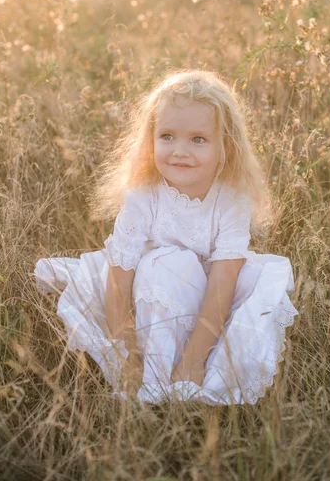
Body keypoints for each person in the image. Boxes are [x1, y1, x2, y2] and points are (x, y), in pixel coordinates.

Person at [34, 70, 298, 405]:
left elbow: (222, 281)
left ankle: (186, 365)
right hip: (147, 295)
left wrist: (195, 358)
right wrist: (125, 349)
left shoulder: (232, 200)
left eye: (198, 140)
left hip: (207, 301)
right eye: (168, 136)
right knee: (167, 263)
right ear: (151, 139)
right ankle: (151, 374)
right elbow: (119, 278)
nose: (180, 151)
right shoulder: (144, 194)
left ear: (225, 147)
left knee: (246, 291)